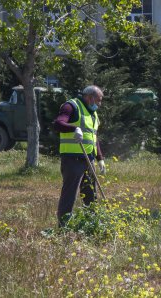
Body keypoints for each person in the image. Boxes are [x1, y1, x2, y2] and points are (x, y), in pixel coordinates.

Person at [53, 85, 106, 227]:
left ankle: (92, 223)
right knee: (70, 194)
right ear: (90, 97)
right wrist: (74, 128)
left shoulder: (92, 113)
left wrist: (100, 158)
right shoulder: (71, 106)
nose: (99, 104)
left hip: (89, 160)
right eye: (98, 100)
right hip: (73, 159)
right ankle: (63, 227)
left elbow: (94, 137)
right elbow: (58, 124)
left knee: (90, 194)